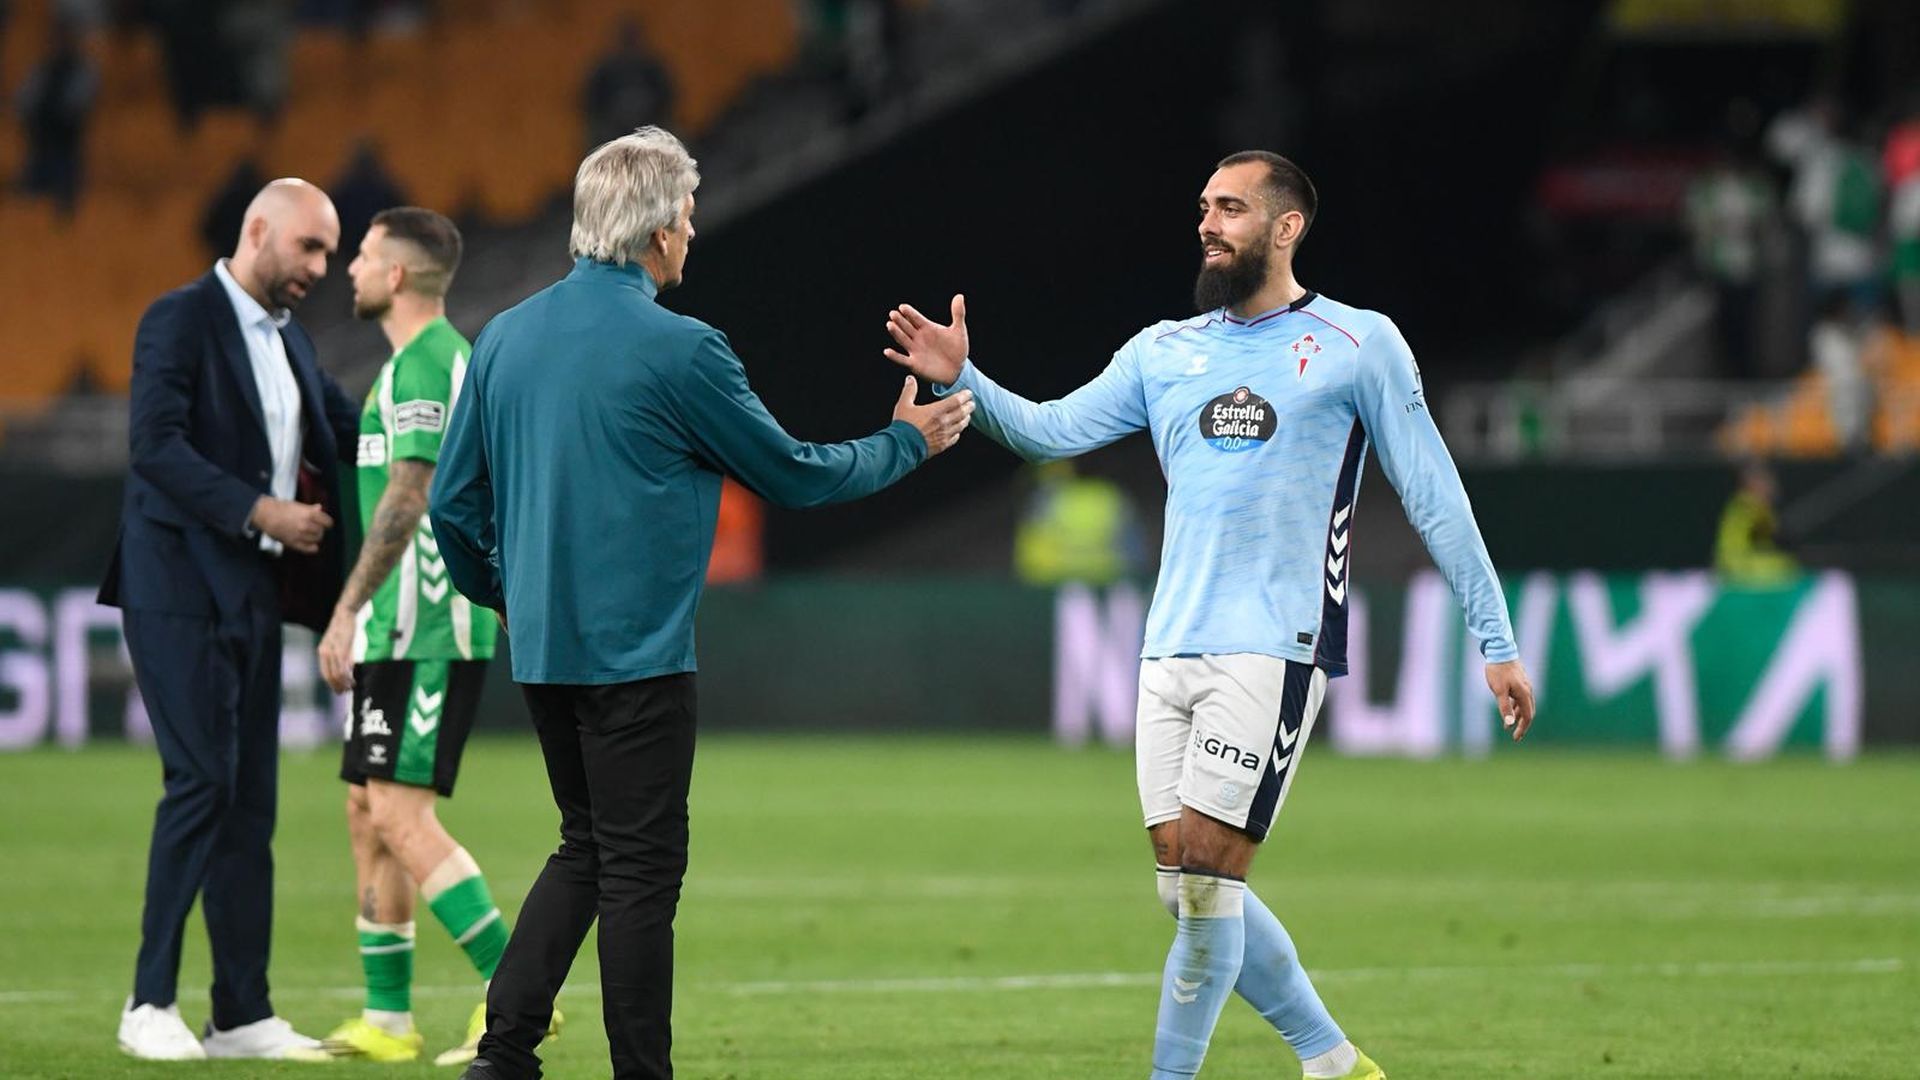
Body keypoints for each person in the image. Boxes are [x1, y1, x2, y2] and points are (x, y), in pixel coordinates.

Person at [883, 151, 1537, 1080]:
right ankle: (1332, 1061)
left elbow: (1434, 494)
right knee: (1184, 887)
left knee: (1208, 878)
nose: (1208, 223)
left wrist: (1495, 637)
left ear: (1285, 226)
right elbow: (1049, 432)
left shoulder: (1359, 344)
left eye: (1230, 208)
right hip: (1169, 645)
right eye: (1203, 207)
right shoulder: (1164, 351)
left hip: (1274, 646)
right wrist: (968, 379)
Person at [428, 126, 974, 1080]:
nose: (692, 231)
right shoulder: (683, 351)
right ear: (652, 229)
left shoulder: (504, 336)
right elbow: (795, 476)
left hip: (547, 656)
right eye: (686, 213)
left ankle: (504, 1051)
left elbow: (450, 507)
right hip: (638, 662)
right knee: (639, 874)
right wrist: (906, 444)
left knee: (586, 850)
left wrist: (507, 601)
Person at [99, 178, 359, 1061]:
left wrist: (434, 424)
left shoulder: (291, 344)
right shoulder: (179, 320)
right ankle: (148, 1004)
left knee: (251, 802)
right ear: (258, 231)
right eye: (309, 248)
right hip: (174, 586)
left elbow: (347, 427)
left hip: (251, 591)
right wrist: (261, 510)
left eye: (329, 254)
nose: (320, 269)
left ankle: (241, 1013)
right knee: (203, 780)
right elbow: (154, 445)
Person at [309, 206, 557, 1066]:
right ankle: (387, 1021)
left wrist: (345, 609)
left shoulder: (427, 367)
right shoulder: (413, 366)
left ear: (401, 276)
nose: (351, 269)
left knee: (401, 814)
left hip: (425, 626)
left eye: (366, 256)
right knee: (367, 813)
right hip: (399, 628)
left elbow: (409, 499)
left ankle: (515, 998)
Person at [14, 16, 97, 214]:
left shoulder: (84, 71)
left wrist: (51, 112)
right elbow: (23, 103)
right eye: (55, 39)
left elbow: (75, 107)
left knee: (65, 194)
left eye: (63, 39)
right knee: (23, 201)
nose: (58, 44)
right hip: (39, 148)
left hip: (67, 152)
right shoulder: (41, 70)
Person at [1715, 460, 1798, 585]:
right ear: (1752, 484)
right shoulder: (1748, 505)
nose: (1770, 487)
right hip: (1738, 567)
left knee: (1788, 565)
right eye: (1765, 483)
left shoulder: (1749, 506)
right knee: (1787, 568)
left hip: (1742, 563)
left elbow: (1765, 540)